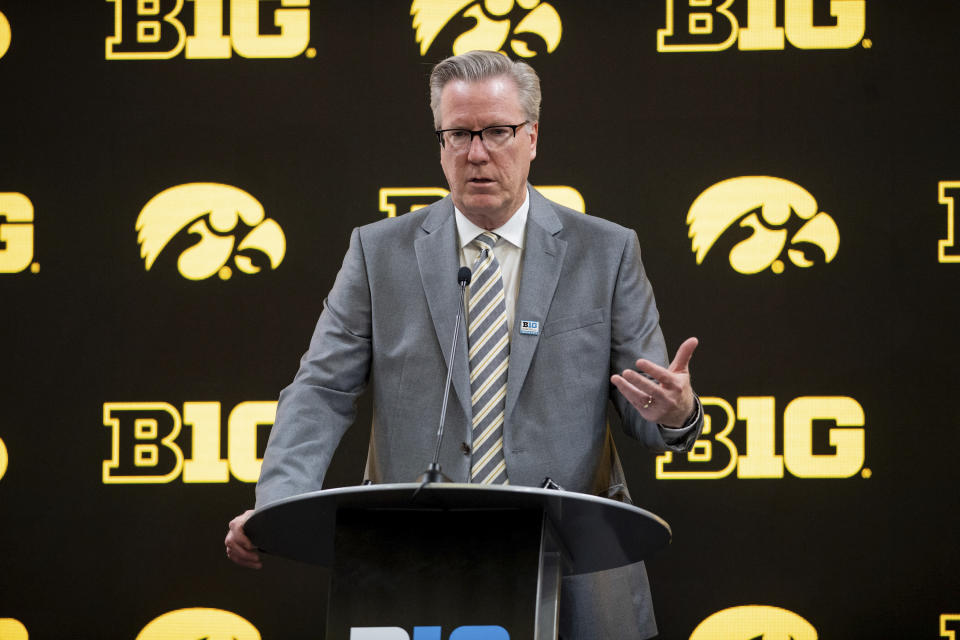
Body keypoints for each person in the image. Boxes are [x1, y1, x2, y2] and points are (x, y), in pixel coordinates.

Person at [225, 50, 703, 639]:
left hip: (574, 571)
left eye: (497, 132)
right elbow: (320, 390)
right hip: (412, 570)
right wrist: (280, 504)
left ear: (532, 137)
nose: (477, 153)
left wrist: (677, 413)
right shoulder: (379, 252)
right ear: (440, 142)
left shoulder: (605, 252)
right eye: (458, 134)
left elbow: (651, 411)